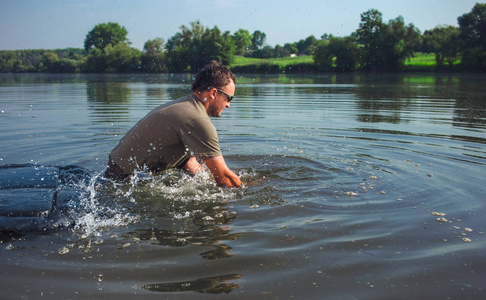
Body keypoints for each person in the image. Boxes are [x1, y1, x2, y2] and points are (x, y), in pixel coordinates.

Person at [105, 61, 242, 188]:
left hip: (115, 174)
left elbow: (189, 162)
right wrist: (250, 189)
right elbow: (224, 177)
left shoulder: (187, 105)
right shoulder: (196, 118)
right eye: (228, 98)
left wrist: (206, 181)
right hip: (123, 182)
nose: (228, 105)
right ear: (213, 93)